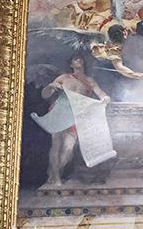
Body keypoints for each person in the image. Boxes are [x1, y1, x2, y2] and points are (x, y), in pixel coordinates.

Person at [34, 55, 112, 185]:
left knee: (68, 149)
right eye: (76, 59)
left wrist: (105, 98)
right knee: (56, 145)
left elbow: (101, 94)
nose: (79, 60)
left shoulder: (89, 80)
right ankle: (56, 177)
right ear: (71, 64)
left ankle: (53, 172)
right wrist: (51, 86)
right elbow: (45, 95)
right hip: (60, 112)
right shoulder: (64, 78)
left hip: (77, 115)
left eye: (81, 58)